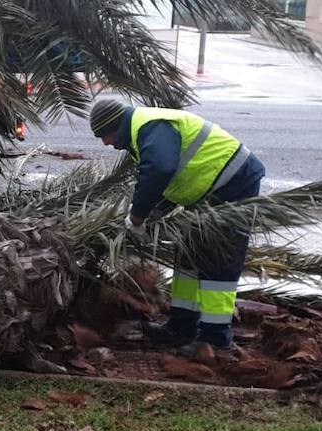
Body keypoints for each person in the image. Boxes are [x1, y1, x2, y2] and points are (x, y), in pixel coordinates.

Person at [88, 98, 265, 356]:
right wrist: (154, 212)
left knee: (218, 261)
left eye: (104, 135)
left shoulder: (150, 127)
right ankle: (181, 328)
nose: (105, 142)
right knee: (189, 256)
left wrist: (137, 217)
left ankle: (215, 341)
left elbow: (160, 169)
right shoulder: (144, 131)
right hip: (208, 191)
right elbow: (174, 177)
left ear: (116, 125)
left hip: (235, 185)